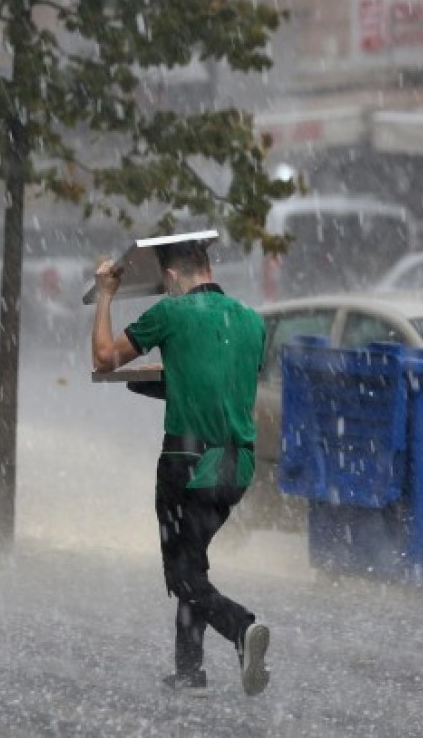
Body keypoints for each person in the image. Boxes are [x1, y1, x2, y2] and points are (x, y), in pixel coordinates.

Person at [90, 238, 271, 697]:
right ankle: (189, 671)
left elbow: (104, 357)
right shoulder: (251, 321)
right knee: (193, 563)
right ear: (207, 265)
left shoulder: (170, 314)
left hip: (187, 464)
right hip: (236, 468)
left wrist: (107, 294)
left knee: (182, 574)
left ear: (170, 276)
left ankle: (240, 628)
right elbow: (221, 384)